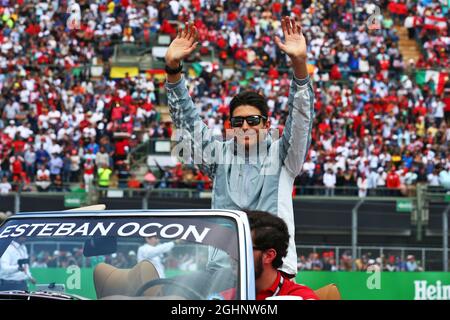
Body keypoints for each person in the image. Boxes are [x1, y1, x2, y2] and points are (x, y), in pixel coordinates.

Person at [165, 17, 314, 277]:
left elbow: (300, 119)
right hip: (224, 272)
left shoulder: (284, 155)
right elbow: (187, 123)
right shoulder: (218, 156)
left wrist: (300, 66)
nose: (245, 126)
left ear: (266, 125)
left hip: (272, 272)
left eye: (253, 120)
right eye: (238, 121)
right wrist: (173, 70)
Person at [246, 211, 319, 300]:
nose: (233, 255)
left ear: (269, 256)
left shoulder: (299, 296)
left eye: (244, 248)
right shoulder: (228, 295)